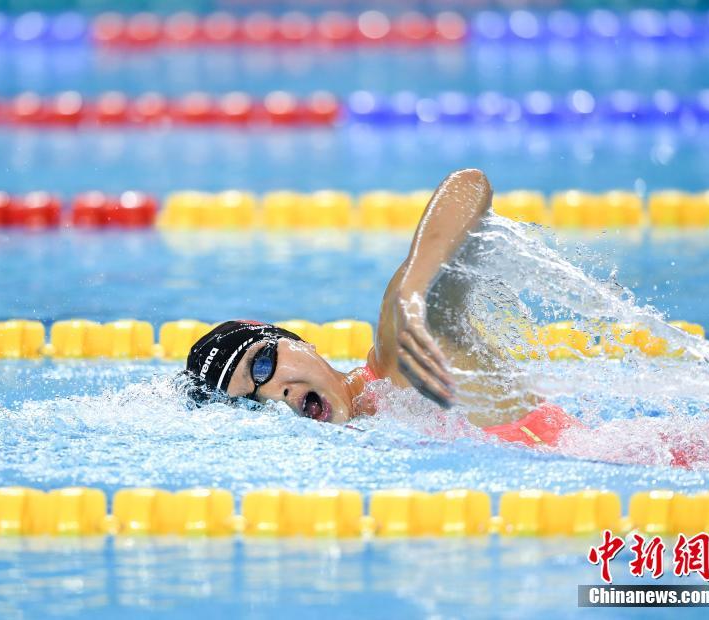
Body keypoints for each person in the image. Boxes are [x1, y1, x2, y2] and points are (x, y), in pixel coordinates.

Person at [183, 169, 582, 447]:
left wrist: (414, 291)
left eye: (261, 365)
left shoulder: (402, 360)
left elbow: (469, 186)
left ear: (300, 343)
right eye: (251, 402)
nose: (275, 393)